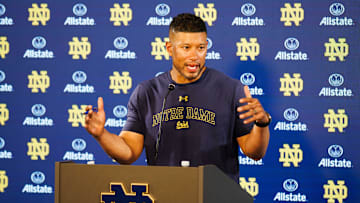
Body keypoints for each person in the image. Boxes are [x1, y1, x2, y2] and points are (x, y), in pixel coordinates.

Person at [84, 13, 270, 182]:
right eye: (186, 48)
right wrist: (102, 135)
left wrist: (262, 124)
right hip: (164, 194)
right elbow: (128, 152)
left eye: (201, 48)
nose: (194, 56)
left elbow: (254, 152)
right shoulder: (147, 92)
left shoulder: (231, 89)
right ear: (169, 48)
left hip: (216, 196)